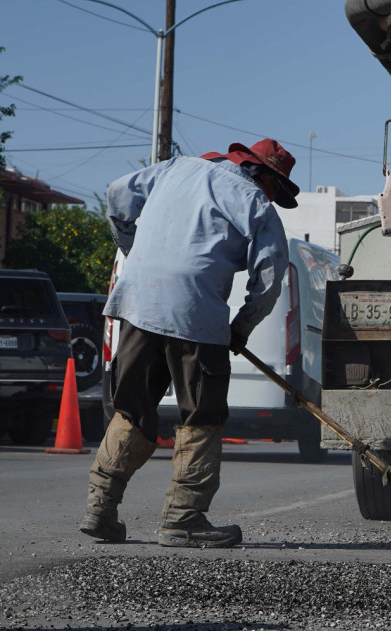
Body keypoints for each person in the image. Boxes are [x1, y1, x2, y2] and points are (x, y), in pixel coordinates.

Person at [79, 138, 300, 548]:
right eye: (277, 188)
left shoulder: (176, 168)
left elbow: (115, 194)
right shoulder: (254, 200)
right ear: (264, 174)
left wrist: (131, 250)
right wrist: (242, 326)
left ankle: (99, 510)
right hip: (196, 317)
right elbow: (269, 272)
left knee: (132, 411)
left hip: (137, 304)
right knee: (203, 416)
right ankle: (183, 521)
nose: (273, 196)